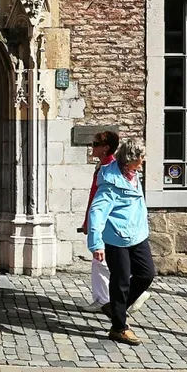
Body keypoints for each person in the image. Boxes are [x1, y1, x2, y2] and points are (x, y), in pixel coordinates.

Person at [86, 140, 155, 345]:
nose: (142, 162)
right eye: (140, 158)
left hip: (137, 235)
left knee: (146, 274)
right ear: (129, 160)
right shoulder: (111, 182)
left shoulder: (133, 174)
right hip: (116, 237)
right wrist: (96, 243)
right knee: (121, 280)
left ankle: (116, 307)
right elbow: (97, 212)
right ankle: (119, 328)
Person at [79, 130, 121, 312]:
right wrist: (87, 221)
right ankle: (104, 299)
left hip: (105, 221)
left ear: (106, 148)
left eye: (96, 144)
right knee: (100, 261)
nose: (92, 147)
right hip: (98, 219)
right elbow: (93, 197)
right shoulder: (102, 166)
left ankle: (107, 299)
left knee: (102, 260)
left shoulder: (111, 167)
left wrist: (93, 222)